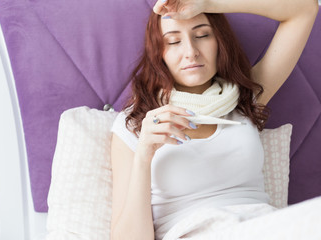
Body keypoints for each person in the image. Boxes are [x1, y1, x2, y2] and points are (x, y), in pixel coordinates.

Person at [110, 0, 319, 240]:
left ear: (219, 42)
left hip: (265, 226)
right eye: (174, 41)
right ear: (159, 54)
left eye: (202, 35)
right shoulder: (136, 123)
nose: (191, 51)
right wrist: (144, 154)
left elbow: (304, 9)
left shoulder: (244, 98)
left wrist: (208, 3)